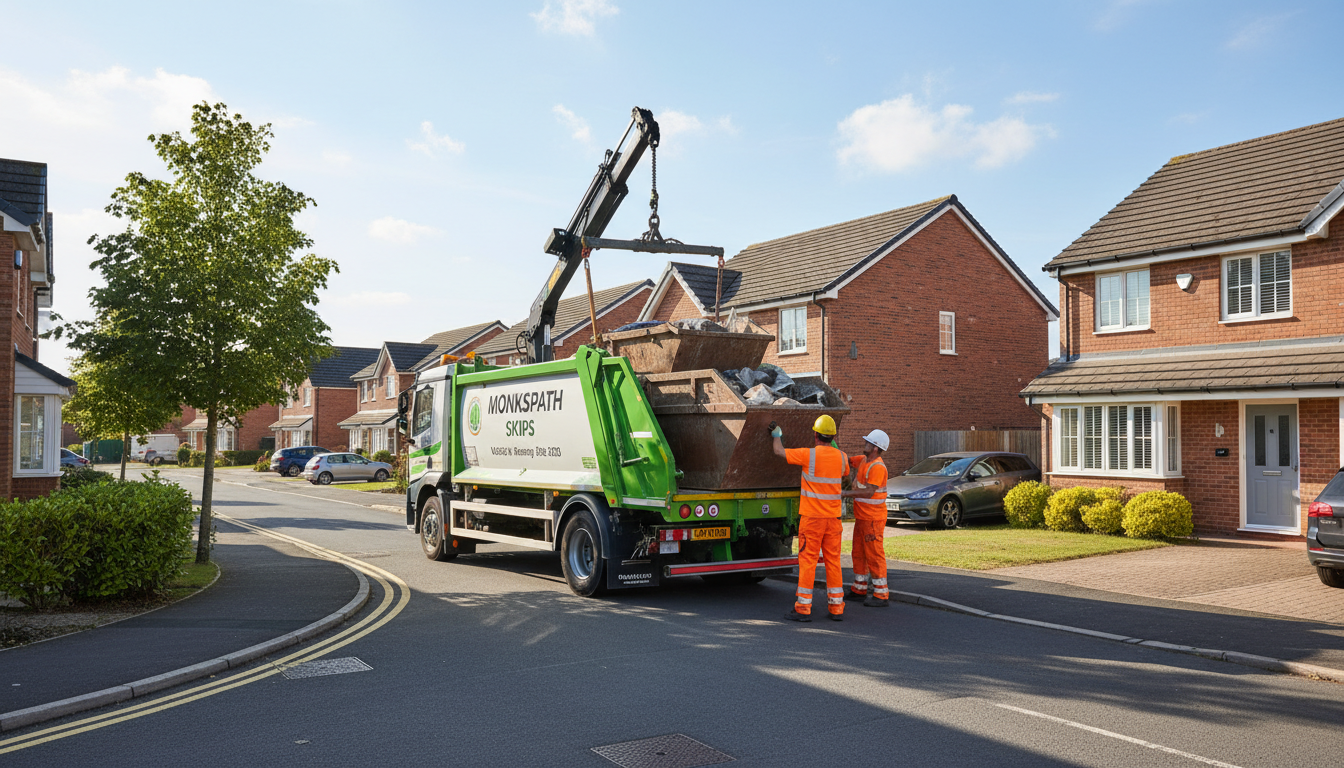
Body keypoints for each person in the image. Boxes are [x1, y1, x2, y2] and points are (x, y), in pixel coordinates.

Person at [771, 415, 848, 622]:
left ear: (815, 435)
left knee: (808, 562)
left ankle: (803, 609)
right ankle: (837, 608)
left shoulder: (809, 455)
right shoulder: (842, 457)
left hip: (813, 519)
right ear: (833, 436)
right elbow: (845, 472)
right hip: (834, 520)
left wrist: (776, 434)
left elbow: (778, 451)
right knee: (833, 562)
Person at [842, 430, 890, 607]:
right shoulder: (864, 460)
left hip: (873, 519)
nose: (865, 444)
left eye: (869, 443)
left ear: (876, 448)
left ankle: (881, 594)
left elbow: (869, 492)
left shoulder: (877, 467)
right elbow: (846, 460)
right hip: (863, 518)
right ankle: (859, 588)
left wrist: (845, 493)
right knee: (859, 553)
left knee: (874, 555)